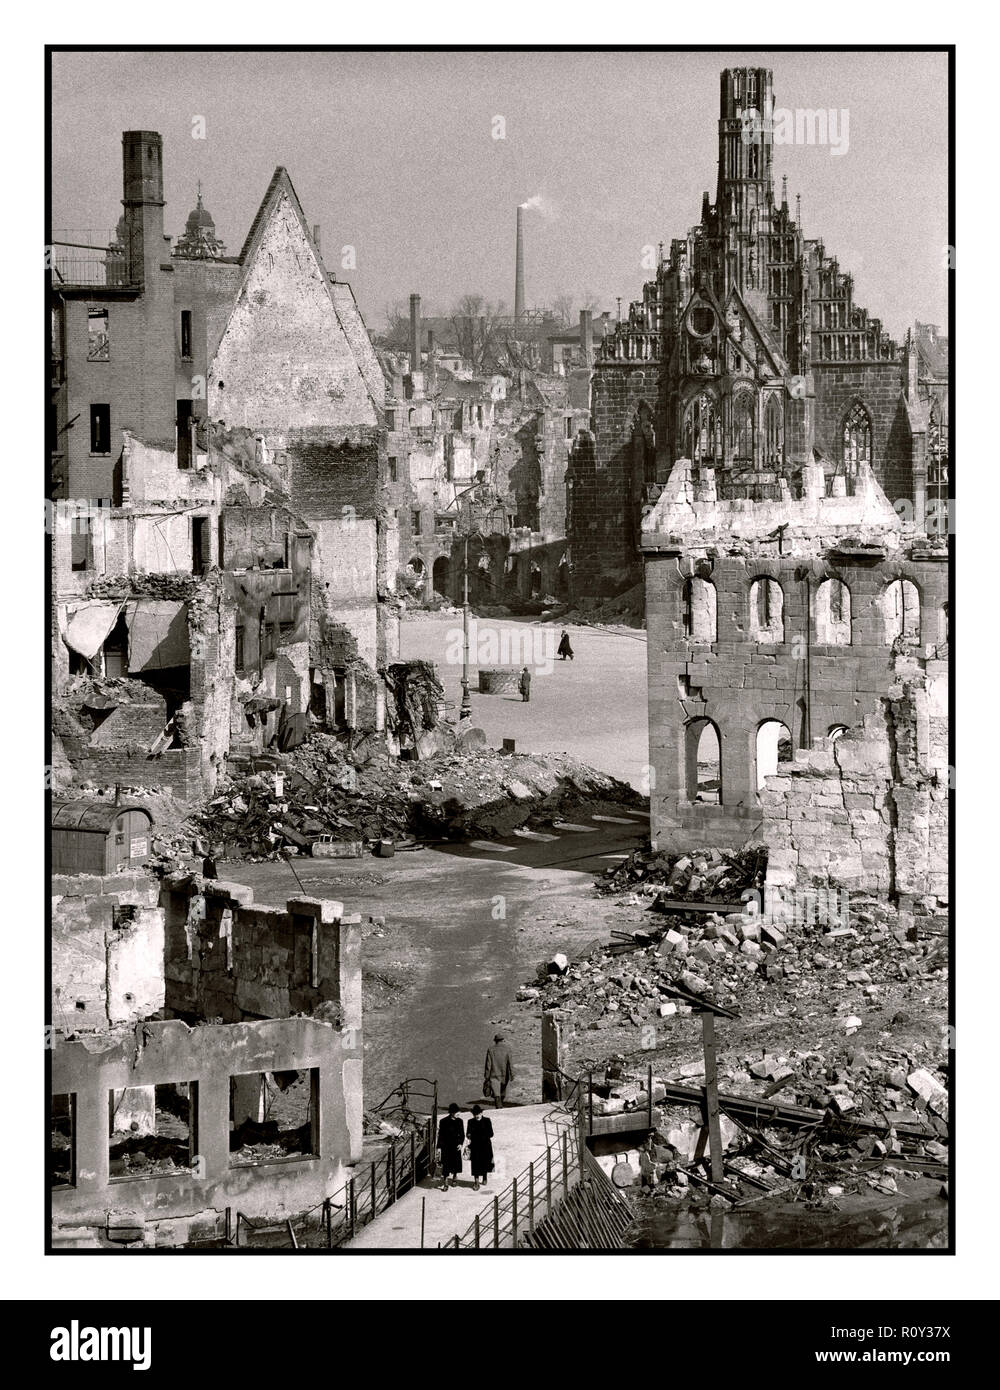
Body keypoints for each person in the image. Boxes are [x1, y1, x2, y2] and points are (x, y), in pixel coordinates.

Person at [465, 1104, 494, 1191]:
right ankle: (476, 1181)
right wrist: (469, 1135)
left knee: (485, 1162)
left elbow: (491, 1134)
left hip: (485, 1146)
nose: (476, 1116)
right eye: (474, 1114)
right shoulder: (470, 1121)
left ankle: (484, 1177)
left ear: (481, 1113)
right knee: (475, 1164)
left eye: (478, 1114)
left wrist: (481, 1135)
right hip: (475, 1146)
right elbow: (467, 1133)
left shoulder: (487, 1120)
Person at [437, 1103, 464, 1192]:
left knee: (455, 1163)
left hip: (456, 1146)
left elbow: (462, 1134)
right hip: (446, 1147)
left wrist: (460, 1143)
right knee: (445, 1165)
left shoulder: (460, 1121)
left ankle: (455, 1177)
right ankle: (445, 1183)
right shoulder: (443, 1121)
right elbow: (440, 1135)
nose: (459, 1114)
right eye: (457, 1112)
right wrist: (439, 1147)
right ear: (452, 1112)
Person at [484, 1032, 514, 1108]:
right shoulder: (507, 1049)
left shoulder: (491, 1049)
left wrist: (486, 1076)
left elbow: (488, 1064)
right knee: (502, 1092)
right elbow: (510, 1063)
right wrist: (512, 1074)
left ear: (495, 1040)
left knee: (497, 1094)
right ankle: (500, 1106)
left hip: (494, 1075)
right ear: (503, 1040)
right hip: (504, 1075)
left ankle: (499, 1107)